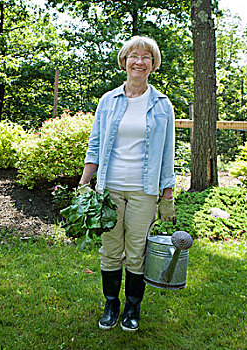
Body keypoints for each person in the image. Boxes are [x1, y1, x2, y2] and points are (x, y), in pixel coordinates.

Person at [78, 36, 176, 332]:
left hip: (144, 190)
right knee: (110, 249)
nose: (139, 61)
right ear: (125, 61)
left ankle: (132, 307)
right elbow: (94, 144)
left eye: (146, 57)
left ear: (152, 64)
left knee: (136, 251)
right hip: (109, 187)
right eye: (134, 56)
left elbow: (168, 152)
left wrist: (167, 194)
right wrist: (84, 183)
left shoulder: (162, 105)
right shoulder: (108, 101)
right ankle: (111, 304)